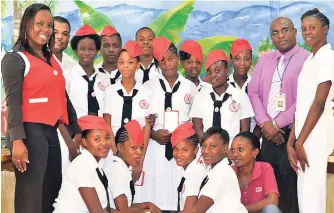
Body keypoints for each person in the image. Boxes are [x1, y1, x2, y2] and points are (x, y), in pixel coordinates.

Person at [1, 4, 81, 213]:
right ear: (27, 24)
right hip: (29, 132)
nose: (45, 30)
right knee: (31, 198)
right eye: (39, 24)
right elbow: (14, 102)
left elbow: (63, 97)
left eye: (49, 26)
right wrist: (17, 140)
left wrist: (76, 130)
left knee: (50, 195)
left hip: (51, 132)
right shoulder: (15, 58)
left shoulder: (51, 58)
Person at [248, 17, 310, 213]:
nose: (280, 35)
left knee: (292, 193)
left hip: (293, 136)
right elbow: (253, 93)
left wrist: (277, 124)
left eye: (284, 30)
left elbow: (305, 98)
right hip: (267, 137)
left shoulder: (307, 59)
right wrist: (266, 123)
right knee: (268, 193)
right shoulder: (265, 60)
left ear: (295, 32)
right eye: (275, 33)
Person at [287, 8, 334, 213]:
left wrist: (300, 141)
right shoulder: (309, 60)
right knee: (304, 195)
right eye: (304, 28)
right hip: (303, 138)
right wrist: (291, 141)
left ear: (325, 29)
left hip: (316, 137)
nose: (307, 32)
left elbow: (319, 103)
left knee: (314, 196)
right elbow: (302, 106)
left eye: (312, 28)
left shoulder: (328, 58)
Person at [143, 36, 197, 211]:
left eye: (171, 59)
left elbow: (196, 120)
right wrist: (153, 134)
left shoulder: (190, 88)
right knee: (156, 190)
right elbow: (142, 120)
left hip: (182, 150)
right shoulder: (148, 87)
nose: (167, 64)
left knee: (180, 192)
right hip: (156, 147)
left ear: (178, 60)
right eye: (162, 61)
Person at [102, 41, 155, 203]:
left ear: (138, 65)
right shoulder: (110, 92)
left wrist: (140, 159)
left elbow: (146, 128)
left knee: (137, 191)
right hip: (114, 150)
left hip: (136, 150)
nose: (125, 66)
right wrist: (116, 153)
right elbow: (107, 125)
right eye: (121, 62)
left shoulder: (146, 92)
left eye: (130, 62)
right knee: (115, 192)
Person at [53, 115, 120, 213]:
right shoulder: (82, 165)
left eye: (107, 137)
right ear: (84, 142)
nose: (104, 143)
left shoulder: (96, 167)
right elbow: (96, 211)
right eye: (97, 139)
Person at [190, 49, 254, 143]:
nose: (213, 75)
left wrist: (233, 150)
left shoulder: (240, 95)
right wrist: (208, 147)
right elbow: (197, 128)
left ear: (227, 71)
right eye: (209, 72)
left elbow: (244, 130)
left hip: (232, 151)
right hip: (207, 151)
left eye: (217, 71)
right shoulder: (200, 96)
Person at [181, 127, 247, 213]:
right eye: (203, 146)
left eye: (213, 146)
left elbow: (197, 211)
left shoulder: (221, 172)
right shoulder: (214, 170)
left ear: (225, 148)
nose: (206, 151)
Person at [105, 120, 161, 213]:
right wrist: (146, 211)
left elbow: (126, 205)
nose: (139, 152)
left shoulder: (120, 166)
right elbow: (123, 210)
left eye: (141, 148)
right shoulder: (117, 169)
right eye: (134, 147)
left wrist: (147, 204)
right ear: (120, 147)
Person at [52, 16, 82, 175]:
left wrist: (76, 133)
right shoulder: (38, 62)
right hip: (48, 132)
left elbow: (71, 103)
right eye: (55, 32)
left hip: (71, 131)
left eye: (64, 34)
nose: (59, 37)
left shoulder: (72, 65)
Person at [65, 24, 110, 118]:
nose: (86, 53)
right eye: (82, 49)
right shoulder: (67, 76)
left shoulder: (105, 78)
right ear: (75, 50)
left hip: (100, 128)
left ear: (97, 51)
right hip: (76, 128)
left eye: (91, 49)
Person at [230, 131, 280, 213]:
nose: (235, 154)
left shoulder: (265, 168)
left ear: (255, 152)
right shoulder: (230, 172)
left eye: (240, 149)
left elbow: (273, 200)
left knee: (271, 209)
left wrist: (242, 210)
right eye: (232, 150)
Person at [171, 122, 207, 211]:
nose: (179, 154)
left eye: (185, 150)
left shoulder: (195, 171)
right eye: (176, 149)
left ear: (196, 150)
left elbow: (188, 211)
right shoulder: (192, 168)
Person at [229, 39, 258, 134]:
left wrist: (253, 141)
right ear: (231, 60)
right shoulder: (224, 85)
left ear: (251, 60)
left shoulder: (256, 85)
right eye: (237, 59)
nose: (242, 63)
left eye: (247, 59)